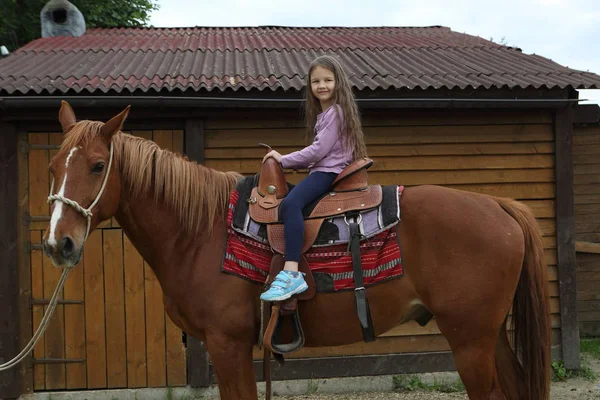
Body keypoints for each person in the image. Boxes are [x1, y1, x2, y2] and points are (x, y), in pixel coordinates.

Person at [260, 55, 368, 302]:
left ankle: (291, 272)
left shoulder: (335, 113)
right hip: (323, 169)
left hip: (327, 174)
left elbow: (319, 151)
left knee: (290, 204)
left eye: (328, 80)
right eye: (316, 81)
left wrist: (282, 159)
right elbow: (324, 151)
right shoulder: (329, 114)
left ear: (338, 82)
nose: (322, 85)